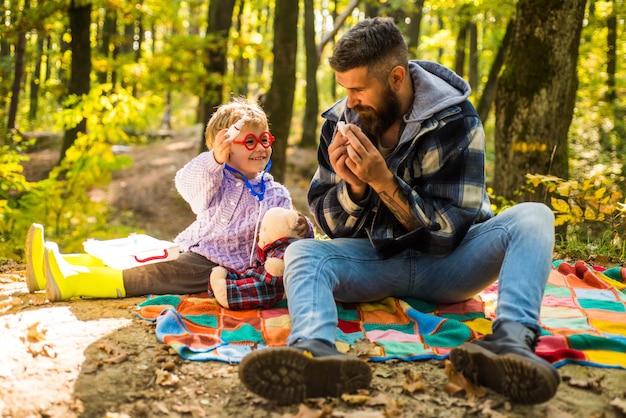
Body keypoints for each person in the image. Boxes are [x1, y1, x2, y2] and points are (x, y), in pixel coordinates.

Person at [238, 17, 560, 406]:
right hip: (375, 261)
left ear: (395, 78)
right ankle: (314, 352)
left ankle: (510, 342)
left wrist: (383, 182)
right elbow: (329, 226)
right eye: (345, 89)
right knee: (302, 252)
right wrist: (355, 189)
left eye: (358, 89)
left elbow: (448, 234)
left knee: (534, 215)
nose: (349, 102)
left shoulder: (456, 119)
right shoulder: (340, 123)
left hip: (453, 264)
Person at [27, 97, 312, 303]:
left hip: (219, 267)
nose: (261, 147)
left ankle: (72, 281)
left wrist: (303, 227)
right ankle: (48, 268)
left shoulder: (275, 193)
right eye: (249, 142)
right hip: (190, 247)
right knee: (139, 254)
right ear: (224, 149)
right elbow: (186, 183)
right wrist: (214, 160)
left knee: (155, 273)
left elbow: (287, 233)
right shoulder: (215, 178)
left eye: (264, 139)